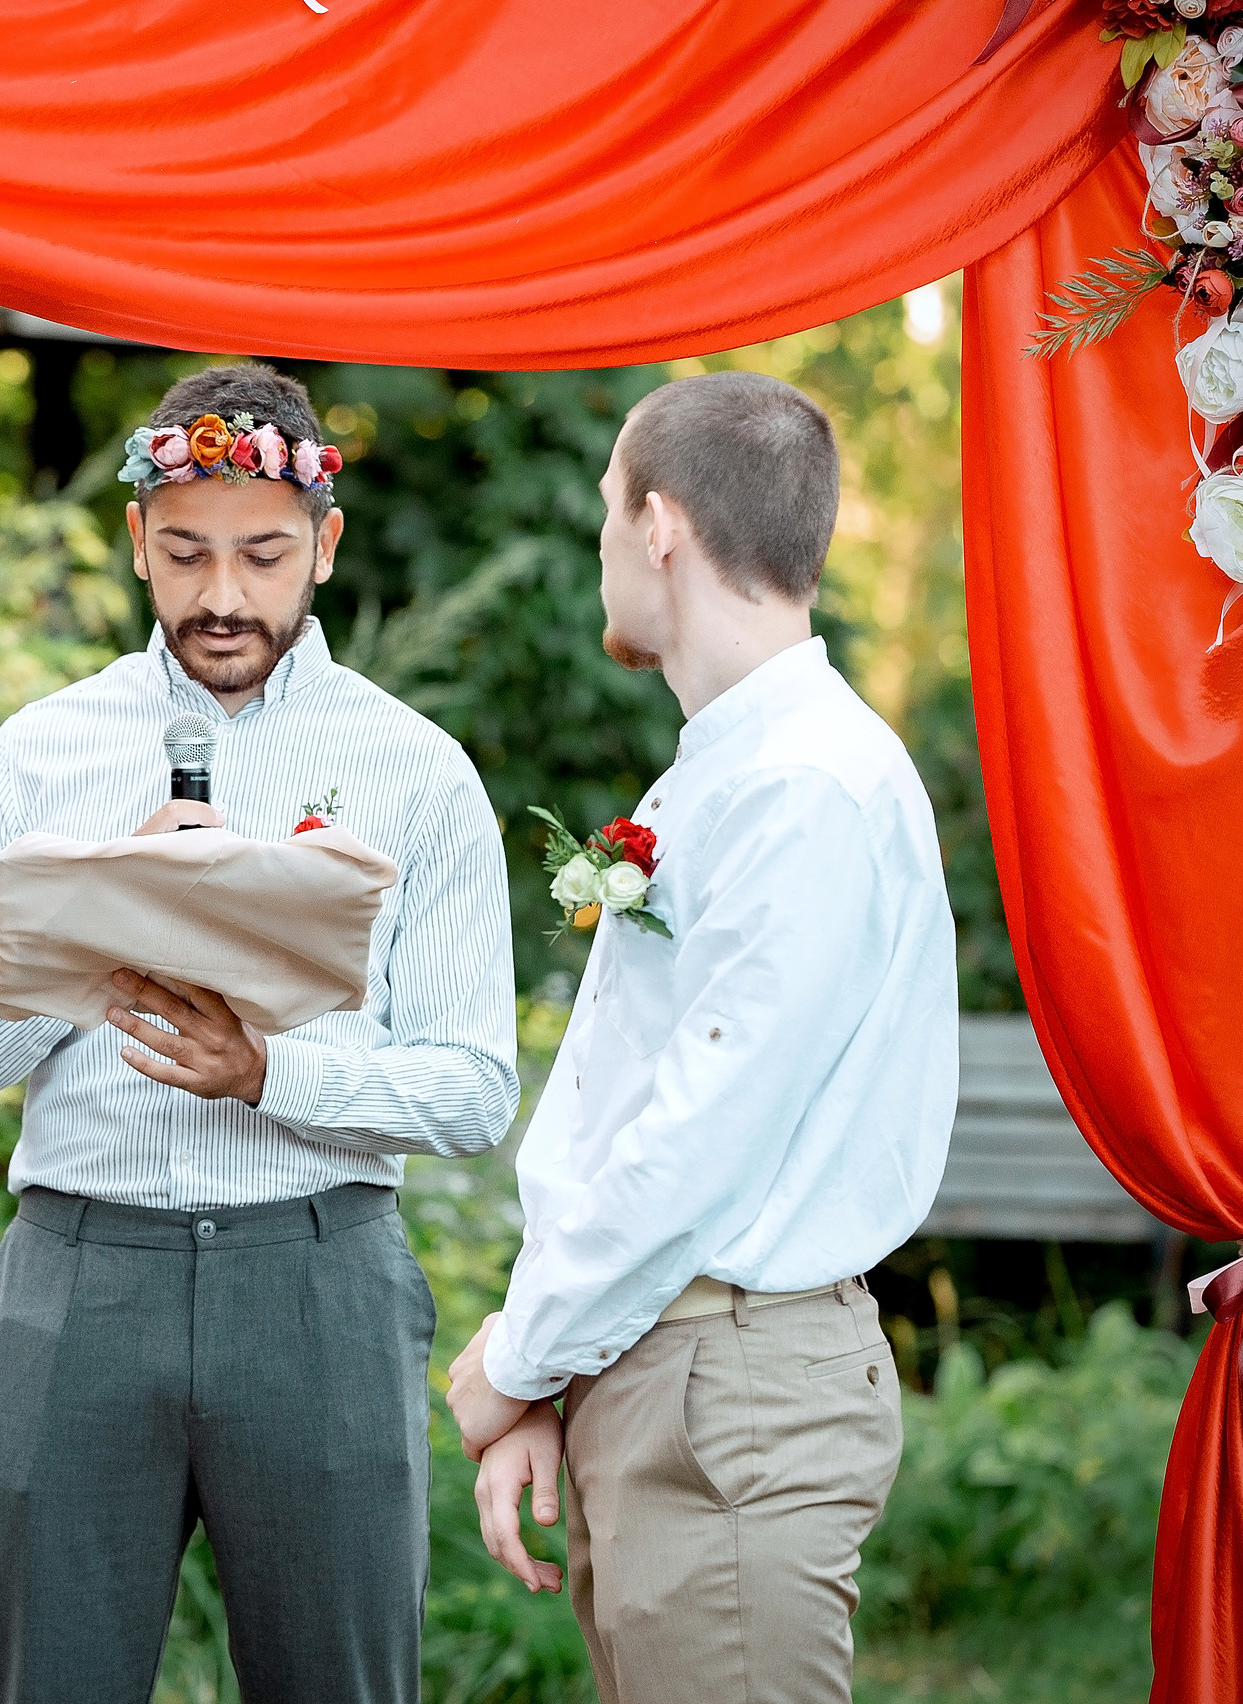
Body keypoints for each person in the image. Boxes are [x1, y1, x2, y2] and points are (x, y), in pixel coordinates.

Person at [0, 364, 520, 1704]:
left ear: (325, 546)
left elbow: (474, 1090)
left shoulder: (420, 771)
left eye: (262, 556)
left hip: (319, 1286)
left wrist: (268, 1073)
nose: (222, 595)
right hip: (77, 1277)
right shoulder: (37, 754)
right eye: (184, 554)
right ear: (136, 542)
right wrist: (90, 923)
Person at [445, 371, 957, 1704]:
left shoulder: (807, 787)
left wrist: (516, 1357)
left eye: (606, 511)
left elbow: (700, 1137)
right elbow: (623, 1102)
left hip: (731, 1390)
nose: (600, 546)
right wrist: (550, 1373)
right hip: (659, 1366)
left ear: (660, 525)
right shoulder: (723, 772)